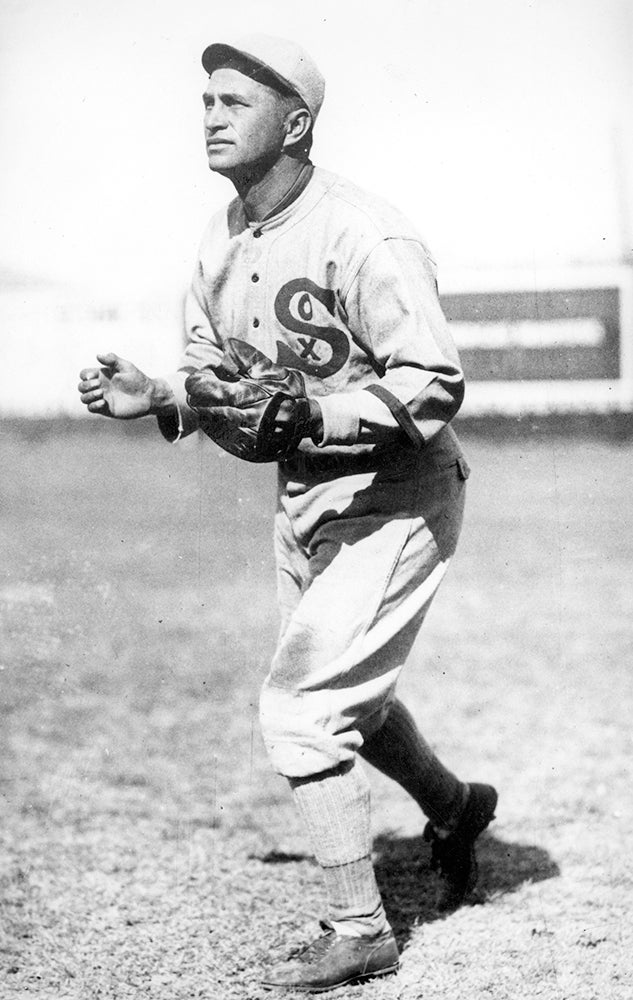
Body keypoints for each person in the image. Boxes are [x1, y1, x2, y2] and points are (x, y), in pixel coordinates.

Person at [77, 33, 497, 993]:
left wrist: (315, 411)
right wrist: (165, 395)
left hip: (396, 497)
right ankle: (454, 806)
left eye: (234, 101)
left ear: (295, 122)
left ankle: (361, 930)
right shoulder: (219, 237)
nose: (212, 116)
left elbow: (431, 386)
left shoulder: (363, 233)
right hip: (306, 497)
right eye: (206, 101)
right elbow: (226, 388)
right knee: (347, 698)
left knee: (303, 708)